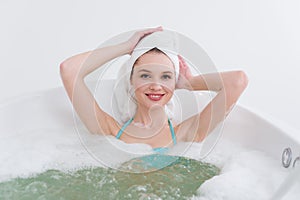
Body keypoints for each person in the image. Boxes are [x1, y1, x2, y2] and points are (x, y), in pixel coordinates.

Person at [60, 26, 248, 152]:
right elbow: (69, 70)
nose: (156, 85)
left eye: (165, 76)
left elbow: (237, 81)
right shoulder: (108, 129)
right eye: (145, 75)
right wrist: (127, 47)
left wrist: (189, 83)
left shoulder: (187, 133)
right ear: (131, 80)